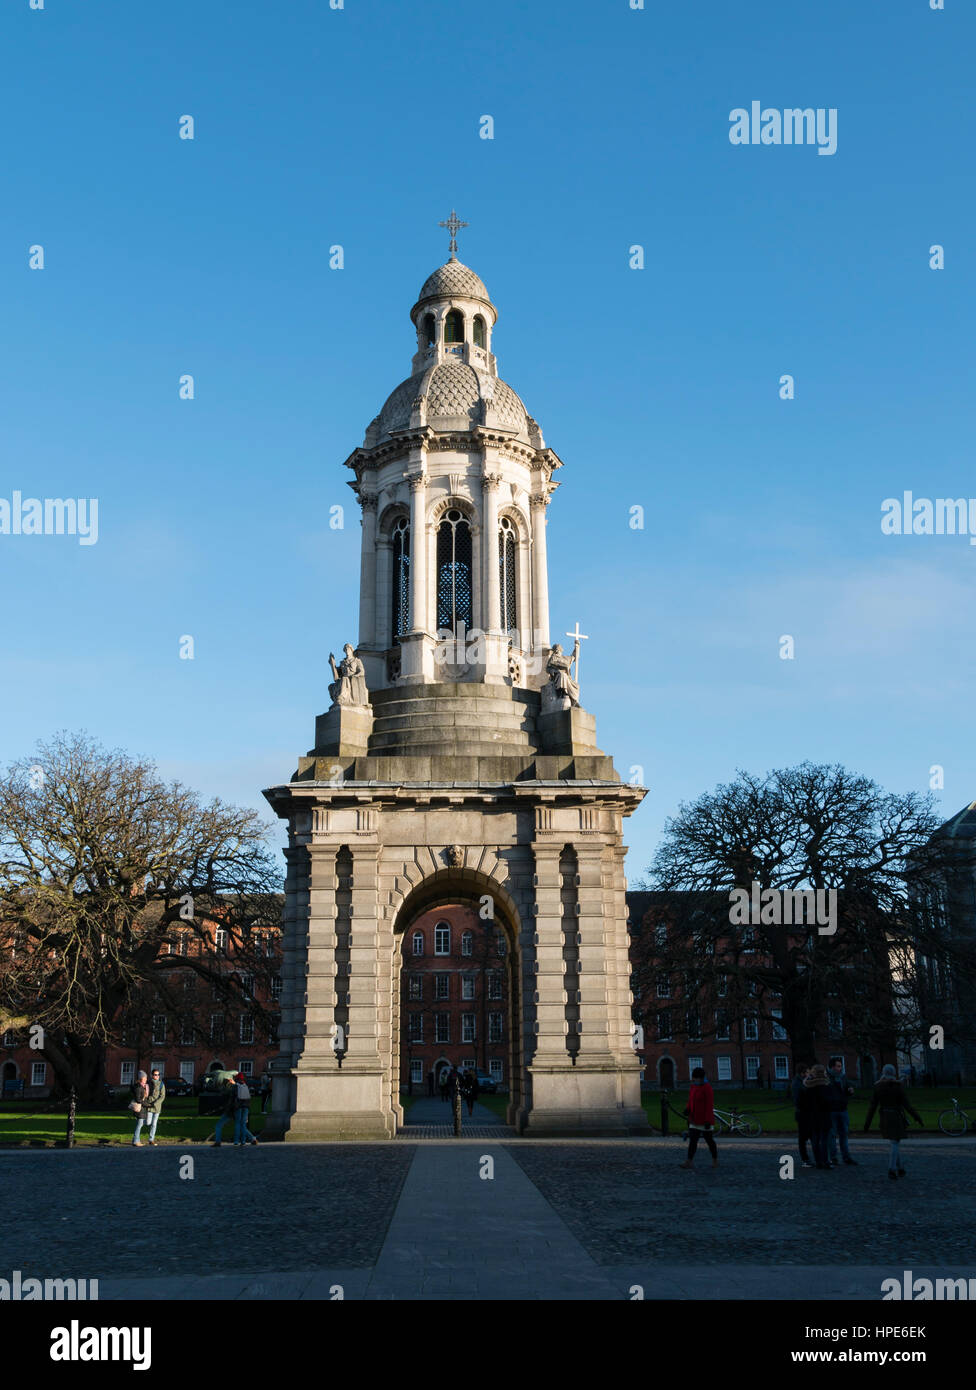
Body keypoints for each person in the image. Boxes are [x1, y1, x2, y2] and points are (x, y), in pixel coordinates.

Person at [864, 1063, 923, 1180]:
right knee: (895, 1142)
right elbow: (907, 1105)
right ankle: (892, 1168)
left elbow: (872, 1107)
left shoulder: (878, 1087)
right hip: (896, 1116)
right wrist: (917, 1117)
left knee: (893, 1142)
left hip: (885, 1116)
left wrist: (867, 1124)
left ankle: (900, 1167)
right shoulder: (898, 1086)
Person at [679, 1066, 718, 1170]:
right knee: (693, 1141)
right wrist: (687, 1109)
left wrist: (707, 1120)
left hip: (704, 1120)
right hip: (694, 1119)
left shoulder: (707, 1088)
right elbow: (690, 1100)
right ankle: (689, 1161)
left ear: (700, 1078)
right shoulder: (693, 1087)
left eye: (695, 1078)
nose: (694, 1080)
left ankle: (714, 1159)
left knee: (709, 1141)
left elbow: (709, 1105)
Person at [798, 1064, 834, 1169]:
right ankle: (825, 1161)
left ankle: (818, 1161)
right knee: (824, 1140)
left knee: (815, 1139)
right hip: (824, 1115)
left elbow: (801, 1103)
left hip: (812, 1116)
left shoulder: (807, 1087)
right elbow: (829, 1102)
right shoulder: (826, 1086)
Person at [827, 1059, 857, 1165]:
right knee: (832, 1135)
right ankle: (833, 1157)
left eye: (840, 1066)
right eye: (838, 1066)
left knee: (844, 1135)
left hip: (843, 1109)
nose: (840, 1068)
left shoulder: (843, 1077)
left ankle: (846, 1157)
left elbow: (848, 1087)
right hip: (832, 1110)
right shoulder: (827, 1078)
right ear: (832, 1067)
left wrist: (850, 1091)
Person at [792, 1065, 813, 1167]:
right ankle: (805, 1159)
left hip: (808, 1113)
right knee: (803, 1137)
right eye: (808, 1072)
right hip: (803, 1114)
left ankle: (811, 1158)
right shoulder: (797, 1083)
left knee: (812, 1136)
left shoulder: (804, 1082)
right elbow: (798, 1100)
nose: (809, 1074)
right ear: (803, 1073)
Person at [233, 1073, 259, 1146]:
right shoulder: (246, 1086)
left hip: (238, 1107)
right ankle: (243, 1141)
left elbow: (233, 1097)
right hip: (246, 1107)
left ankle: (236, 1141)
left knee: (237, 1124)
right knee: (243, 1124)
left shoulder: (236, 1086)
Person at [210, 1078, 238, 1147]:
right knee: (241, 1126)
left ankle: (218, 1142)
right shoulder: (237, 1088)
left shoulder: (229, 1090)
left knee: (218, 1125)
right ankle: (252, 1138)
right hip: (235, 1110)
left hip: (230, 1111)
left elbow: (225, 1096)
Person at [142, 1068, 166, 1146]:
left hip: (157, 1107)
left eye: (158, 1074)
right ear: (152, 1075)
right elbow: (144, 1094)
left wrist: (156, 1103)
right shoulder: (148, 1083)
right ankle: (140, 1121)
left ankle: (151, 1139)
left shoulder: (161, 1084)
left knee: (154, 1124)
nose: (157, 1076)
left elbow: (162, 1096)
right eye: (155, 1074)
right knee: (148, 1123)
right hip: (149, 1106)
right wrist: (147, 1101)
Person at [130, 1070, 149, 1147]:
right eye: (145, 1077)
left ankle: (136, 1140)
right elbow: (138, 1099)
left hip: (142, 1109)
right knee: (139, 1125)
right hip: (140, 1109)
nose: (146, 1079)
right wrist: (148, 1105)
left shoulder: (142, 1086)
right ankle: (135, 1141)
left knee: (140, 1124)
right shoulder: (138, 1087)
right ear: (141, 1078)